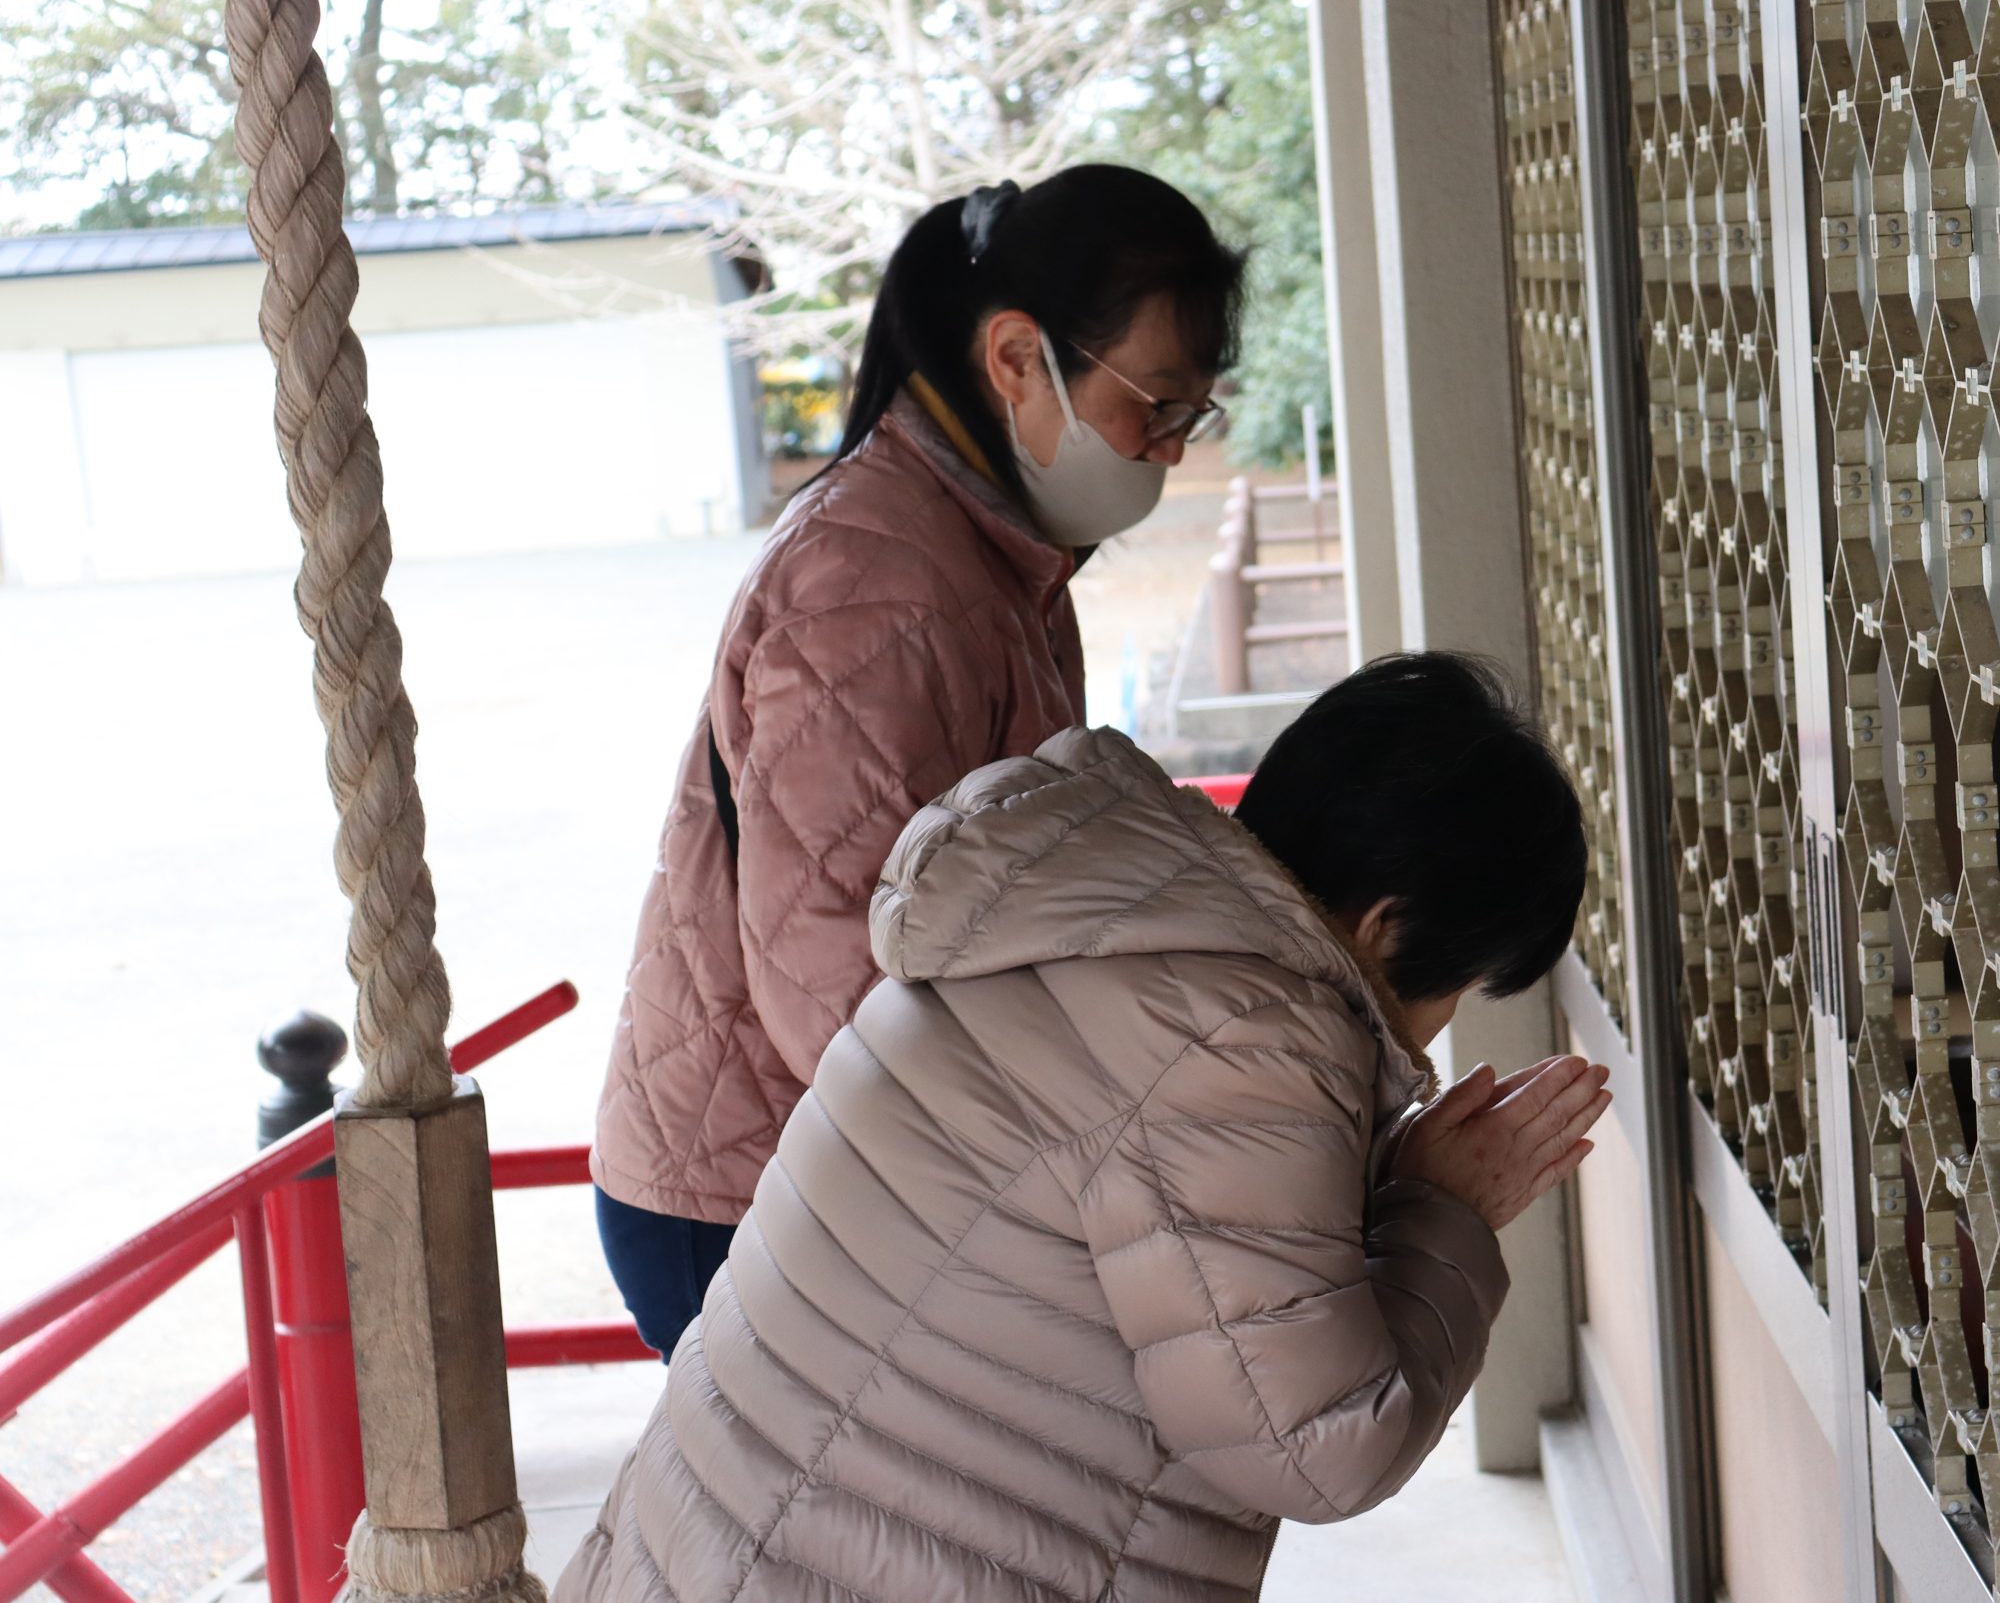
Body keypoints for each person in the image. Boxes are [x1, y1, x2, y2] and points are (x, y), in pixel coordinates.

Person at [555, 652, 1608, 1603]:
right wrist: (1445, 1213)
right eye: (1459, 986)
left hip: (717, 1540)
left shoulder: (1101, 910)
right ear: (1388, 924)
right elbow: (1313, 1444)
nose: (1439, 1028)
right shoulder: (1243, 1038)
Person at [589, 166, 1249, 1356]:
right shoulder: (873, 583)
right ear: (1014, 359)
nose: (1165, 451)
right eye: (1152, 406)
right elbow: (832, 973)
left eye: (1190, 418)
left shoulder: (1000, 551)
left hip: (861, 1163)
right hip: (761, 1190)